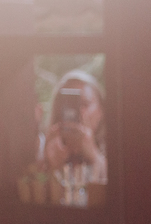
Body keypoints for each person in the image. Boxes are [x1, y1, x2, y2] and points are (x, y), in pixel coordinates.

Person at [41, 70, 108, 200]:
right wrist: (50, 167)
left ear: (101, 111)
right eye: (69, 104)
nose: (77, 112)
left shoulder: (117, 150)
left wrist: (94, 155)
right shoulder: (44, 146)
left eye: (84, 104)